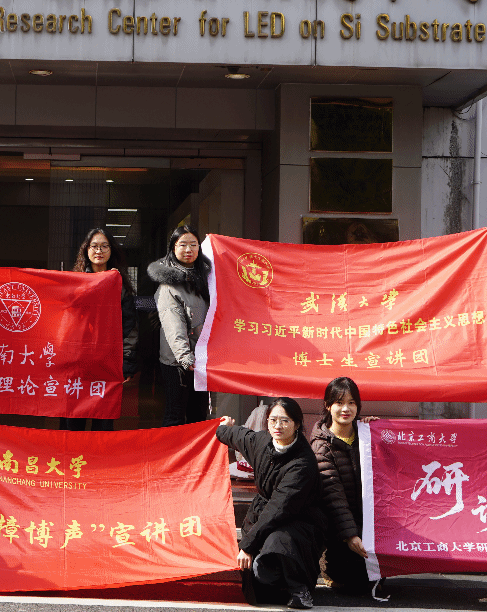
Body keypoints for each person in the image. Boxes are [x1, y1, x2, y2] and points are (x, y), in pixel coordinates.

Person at [215, 398, 324, 609]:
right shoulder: (261, 442)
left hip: (300, 522)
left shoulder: (303, 463)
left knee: (277, 542)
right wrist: (223, 428)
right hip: (266, 515)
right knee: (260, 577)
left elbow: (278, 508)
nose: (277, 426)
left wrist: (247, 546)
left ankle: (299, 589)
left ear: (297, 424)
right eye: (273, 420)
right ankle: (276, 583)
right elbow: (236, 435)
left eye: (285, 421)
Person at [63, 228, 138, 432]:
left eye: (104, 246)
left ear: (111, 251)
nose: (99, 251)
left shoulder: (119, 283)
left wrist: (127, 361)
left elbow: (129, 326)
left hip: (108, 362)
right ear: (86, 250)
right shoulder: (75, 282)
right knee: (74, 418)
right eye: (94, 246)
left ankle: (99, 454)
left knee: (103, 420)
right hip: (78, 361)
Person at [309, 377, 372, 595]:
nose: (346, 409)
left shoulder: (366, 434)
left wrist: (378, 430)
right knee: (353, 584)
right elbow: (334, 499)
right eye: (339, 402)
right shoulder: (321, 446)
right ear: (328, 405)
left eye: (352, 403)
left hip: (367, 526)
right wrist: (351, 535)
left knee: (375, 580)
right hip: (338, 532)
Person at [148, 225, 210, 426]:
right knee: (175, 416)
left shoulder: (205, 278)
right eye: (182, 244)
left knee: (198, 416)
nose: (188, 249)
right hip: (177, 363)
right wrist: (185, 357)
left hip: (200, 359)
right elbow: (173, 324)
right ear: (173, 248)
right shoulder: (169, 285)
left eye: (193, 244)